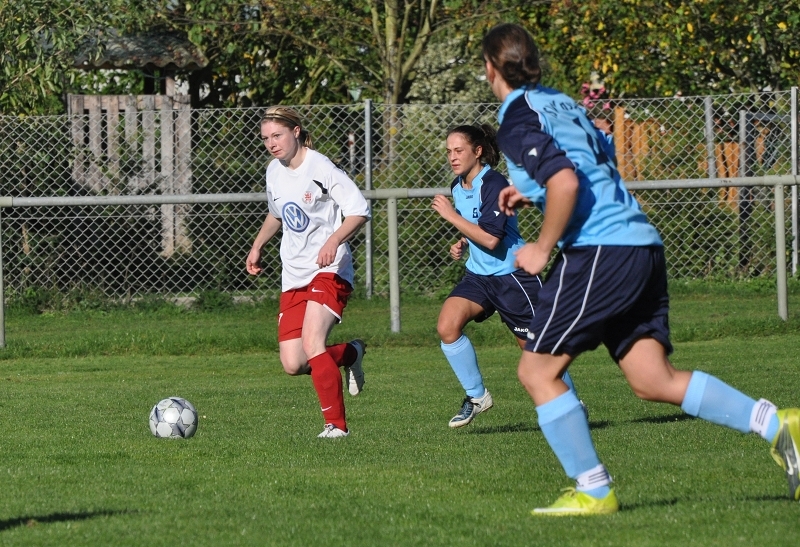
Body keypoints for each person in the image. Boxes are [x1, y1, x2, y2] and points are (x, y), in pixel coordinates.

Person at [482, 22, 800, 515]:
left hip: (600, 250)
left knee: (536, 370)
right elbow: (597, 161)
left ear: (489, 68)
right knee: (652, 378)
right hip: (641, 244)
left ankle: (593, 489)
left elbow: (566, 181)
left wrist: (543, 246)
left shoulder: (517, 118)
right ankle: (776, 423)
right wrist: (534, 191)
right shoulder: (564, 101)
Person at [432, 124, 580, 428]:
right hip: (479, 277)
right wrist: (461, 242)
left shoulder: (495, 183)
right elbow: (477, 231)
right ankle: (477, 397)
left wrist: (451, 217)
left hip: (513, 278)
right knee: (447, 326)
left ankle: (570, 405)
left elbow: (491, 240)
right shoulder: (458, 186)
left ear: (478, 151)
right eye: (449, 151)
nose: (452, 157)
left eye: (459, 150)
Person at [246, 106, 370, 439]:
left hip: (330, 270)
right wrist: (258, 245)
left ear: (296, 131)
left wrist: (334, 239)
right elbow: (278, 214)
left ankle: (337, 427)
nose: (272, 144)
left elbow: (359, 210)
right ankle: (351, 353)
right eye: (266, 138)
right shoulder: (274, 170)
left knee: (313, 342)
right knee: (293, 363)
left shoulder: (321, 167)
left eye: (277, 135)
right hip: (294, 275)